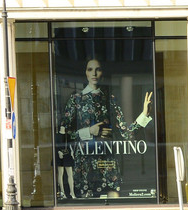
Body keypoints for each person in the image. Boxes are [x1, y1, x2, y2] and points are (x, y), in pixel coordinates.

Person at [58, 58, 153, 198]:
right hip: (85, 164)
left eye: (98, 69)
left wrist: (144, 115)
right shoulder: (76, 99)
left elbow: (126, 133)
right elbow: (64, 133)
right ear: (85, 72)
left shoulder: (110, 99)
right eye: (90, 69)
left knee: (115, 202)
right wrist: (88, 132)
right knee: (87, 208)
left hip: (107, 162)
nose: (94, 73)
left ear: (102, 72)